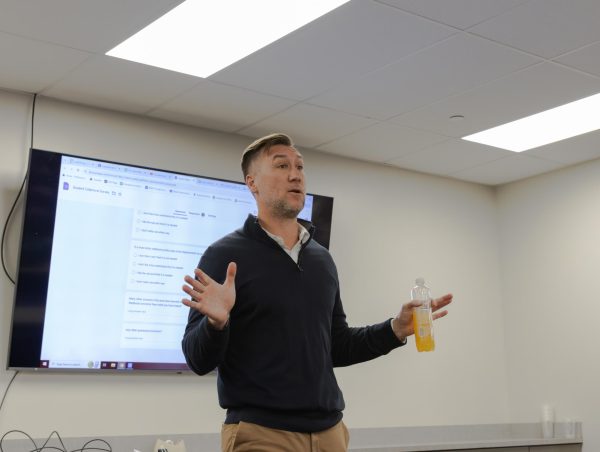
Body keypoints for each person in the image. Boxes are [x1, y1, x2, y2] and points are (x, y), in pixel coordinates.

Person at [181, 133, 452, 452]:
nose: (295, 174)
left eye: (299, 166)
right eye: (281, 166)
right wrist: (216, 324)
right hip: (262, 435)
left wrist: (395, 329)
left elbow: (337, 346)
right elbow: (197, 359)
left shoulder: (322, 259)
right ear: (252, 183)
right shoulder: (224, 256)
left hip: (330, 433)